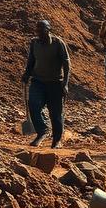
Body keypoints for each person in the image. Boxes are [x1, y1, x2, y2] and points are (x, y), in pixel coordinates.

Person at [22, 19, 70, 149]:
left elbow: (66, 64)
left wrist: (65, 83)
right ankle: (42, 131)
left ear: (48, 30)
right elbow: (31, 60)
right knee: (33, 104)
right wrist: (27, 74)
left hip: (55, 83)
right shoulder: (34, 43)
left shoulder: (58, 43)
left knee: (56, 113)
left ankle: (57, 140)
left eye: (41, 30)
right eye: (37, 30)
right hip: (38, 81)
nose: (38, 33)